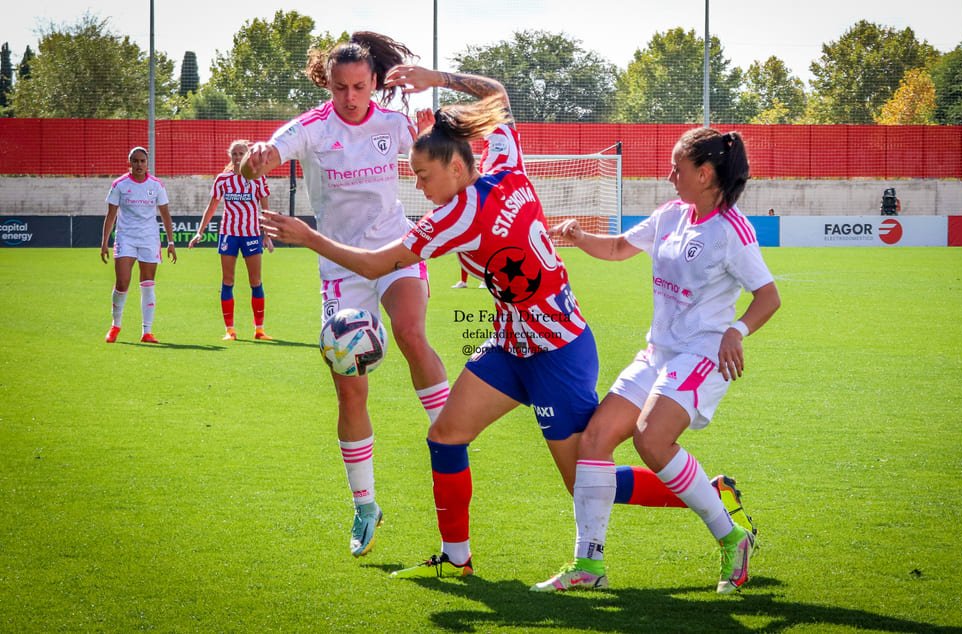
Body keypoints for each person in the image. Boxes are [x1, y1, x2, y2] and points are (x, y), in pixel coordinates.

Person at [262, 67, 755, 580]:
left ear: (455, 166)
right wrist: (438, 77)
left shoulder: (454, 216)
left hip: (557, 351)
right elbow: (497, 93)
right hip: (512, 344)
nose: (420, 187)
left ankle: (711, 499)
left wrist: (309, 235)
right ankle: (457, 559)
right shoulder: (506, 161)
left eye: (424, 176)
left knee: (584, 478)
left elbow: (373, 265)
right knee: (445, 436)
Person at [532, 128, 781, 595]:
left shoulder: (733, 231)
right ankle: (589, 564)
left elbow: (768, 297)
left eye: (677, 169)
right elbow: (619, 247)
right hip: (659, 351)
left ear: (705, 175)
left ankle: (733, 539)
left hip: (702, 353)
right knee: (596, 439)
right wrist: (580, 236)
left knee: (651, 439)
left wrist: (736, 330)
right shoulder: (671, 214)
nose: (669, 177)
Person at [239, 32, 449, 558]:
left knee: (408, 331)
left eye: (359, 86)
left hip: (395, 250)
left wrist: (434, 136)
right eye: (340, 88)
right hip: (338, 265)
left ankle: (448, 430)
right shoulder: (310, 128)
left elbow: (435, 156)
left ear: (375, 82)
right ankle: (365, 505)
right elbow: (255, 162)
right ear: (327, 85)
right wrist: (257, 158)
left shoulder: (394, 123)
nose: (350, 97)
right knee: (349, 386)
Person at [188, 140, 274, 341]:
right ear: (230, 156)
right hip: (229, 234)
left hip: (251, 234)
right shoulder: (222, 180)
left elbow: (266, 209)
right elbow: (211, 207)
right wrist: (200, 232)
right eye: (234, 154)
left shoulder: (258, 178)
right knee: (228, 281)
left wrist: (267, 235)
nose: (237, 157)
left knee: (256, 281)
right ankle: (230, 330)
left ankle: (259, 329)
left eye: (241, 153)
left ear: (248, 155)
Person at [101, 146, 177, 344]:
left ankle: (147, 332)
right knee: (122, 282)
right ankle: (115, 325)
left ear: (147, 163)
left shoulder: (157, 185)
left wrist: (170, 242)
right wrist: (104, 243)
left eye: (142, 161)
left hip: (149, 239)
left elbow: (165, 215)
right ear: (130, 163)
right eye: (135, 161)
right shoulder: (119, 184)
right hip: (126, 237)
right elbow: (110, 216)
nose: (139, 165)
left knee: (147, 283)